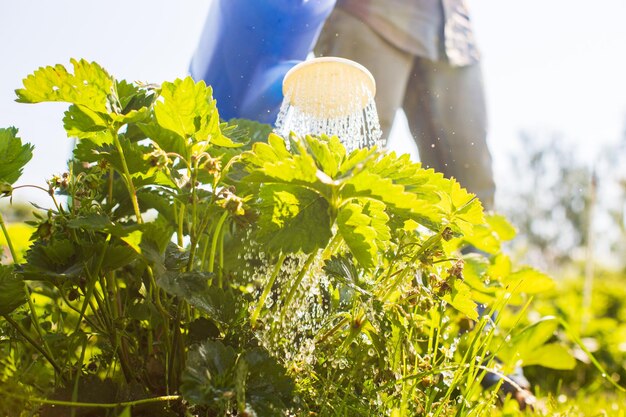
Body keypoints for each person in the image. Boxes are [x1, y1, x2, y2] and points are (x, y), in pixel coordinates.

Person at [315, 0, 536, 410]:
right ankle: (321, 350)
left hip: (451, 29)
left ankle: (486, 365)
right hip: (369, 13)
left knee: (472, 197)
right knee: (343, 172)